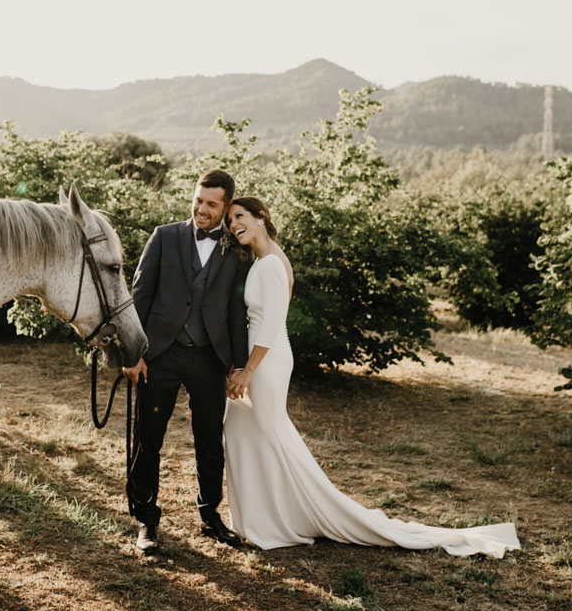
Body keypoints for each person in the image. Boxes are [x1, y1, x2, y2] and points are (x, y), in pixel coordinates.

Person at [223, 196, 520, 556]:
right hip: (261, 357)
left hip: (266, 360)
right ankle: (272, 515)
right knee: (249, 429)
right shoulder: (263, 260)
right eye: (229, 219)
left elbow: (270, 325)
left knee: (269, 434)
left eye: (239, 216)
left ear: (260, 218)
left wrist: (248, 370)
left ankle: (300, 516)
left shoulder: (271, 263)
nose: (232, 224)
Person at [122, 169, 251, 555]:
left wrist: (238, 364)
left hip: (210, 358)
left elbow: (236, 312)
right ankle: (146, 519)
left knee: (210, 440)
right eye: (198, 200)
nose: (202, 209)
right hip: (160, 355)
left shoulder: (236, 250)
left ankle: (210, 515)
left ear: (227, 207)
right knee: (148, 437)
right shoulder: (165, 236)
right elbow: (139, 297)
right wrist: (133, 354)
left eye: (212, 204)